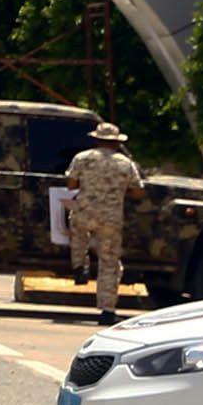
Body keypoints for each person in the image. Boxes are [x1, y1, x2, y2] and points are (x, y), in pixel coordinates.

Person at [66, 122, 144, 328]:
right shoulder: (125, 163)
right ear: (116, 143)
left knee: (77, 234)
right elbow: (138, 191)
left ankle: (79, 266)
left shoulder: (82, 158)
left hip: (84, 211)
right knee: (109, 262)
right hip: (110, 217)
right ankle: (107, 311)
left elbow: (71, 184)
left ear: (96, 139)